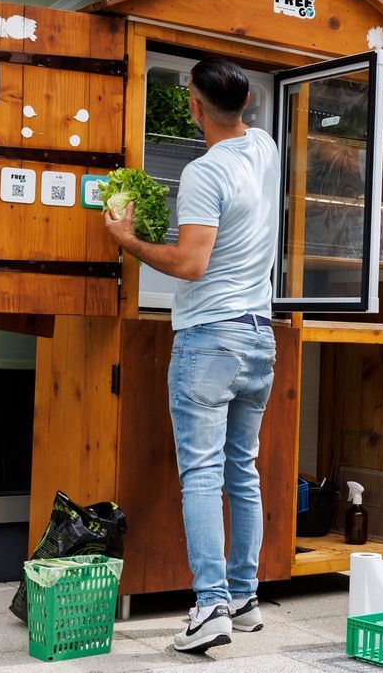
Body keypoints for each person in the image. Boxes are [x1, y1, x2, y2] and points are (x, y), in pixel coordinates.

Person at [103, 57, 280, 654]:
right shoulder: (264, 148)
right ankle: (244, 598)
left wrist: (128, 240)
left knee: (202, 474)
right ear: (247, 102)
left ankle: (210, 608)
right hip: (259, 336)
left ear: (194, 107)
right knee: (242, 469)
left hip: (211, 337)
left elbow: (191, 263)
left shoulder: (204, 173)